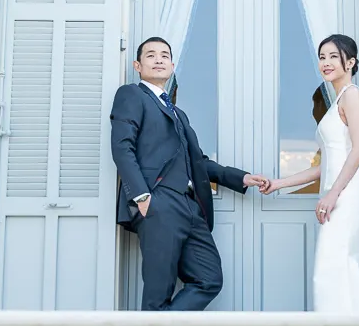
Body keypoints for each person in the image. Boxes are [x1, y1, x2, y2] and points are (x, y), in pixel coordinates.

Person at [110, 36, 268, 311]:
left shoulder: (178, 113)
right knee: (158, 294)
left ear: (172, 66)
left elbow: (197, 162)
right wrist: (143, 197)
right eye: (150, 55)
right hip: (158, 202)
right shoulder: (131, 94)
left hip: (191, 207)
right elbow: (122, 147)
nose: (158, 59)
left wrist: (240, 177)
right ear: (137, 64)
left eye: (164, 55)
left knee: (208, 280)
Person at [260, 34, 359, 314]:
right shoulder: (337, 102)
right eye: (322, 57)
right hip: (337, 192)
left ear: (351, 62)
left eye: (334, 56)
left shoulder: (352, 95)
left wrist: (333, 193)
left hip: (348, 195)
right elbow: (326, 165)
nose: (326, 62)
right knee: (347, 266)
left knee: (332, 267)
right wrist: (278, 183)